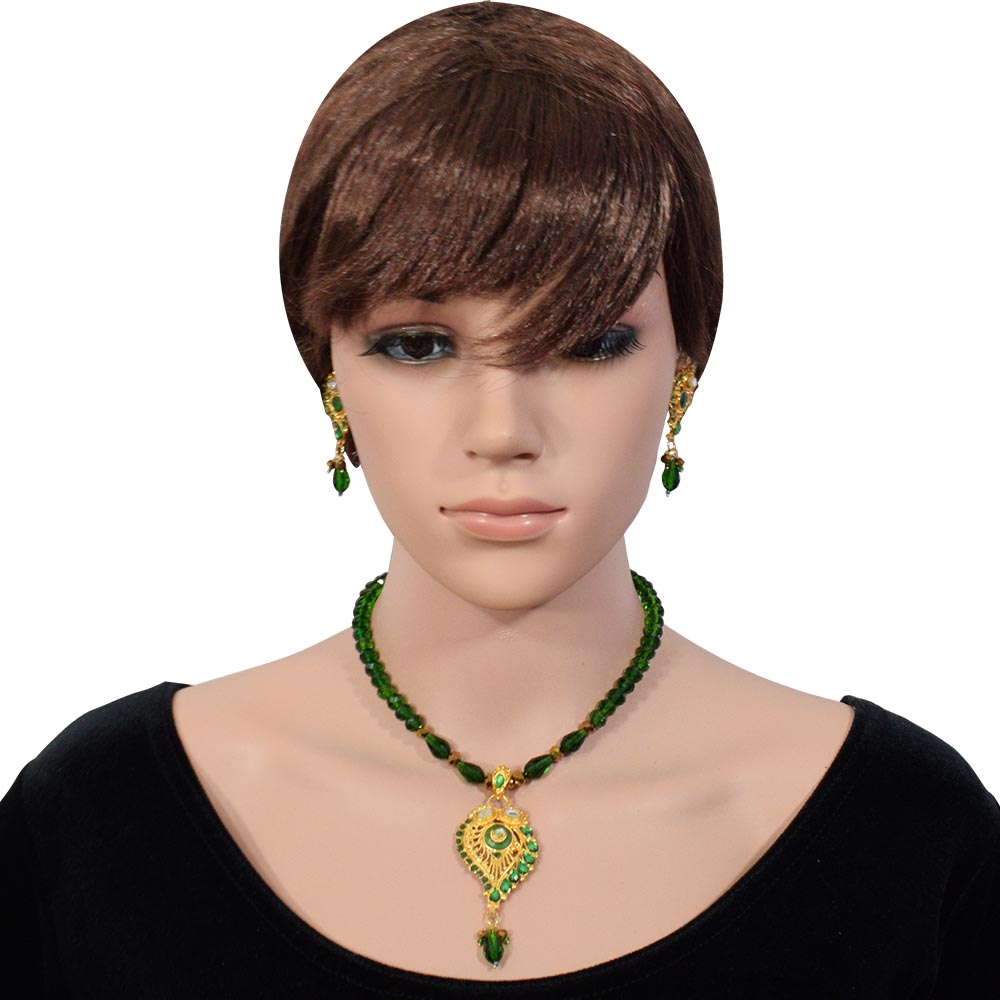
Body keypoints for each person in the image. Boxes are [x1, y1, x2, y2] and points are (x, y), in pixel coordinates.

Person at [2, 2, 997, 996]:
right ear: (329, 373)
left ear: (684, 367)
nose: (502, 428)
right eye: (418, 345)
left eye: (587, 341)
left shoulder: (911, 839)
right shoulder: (95, 825)